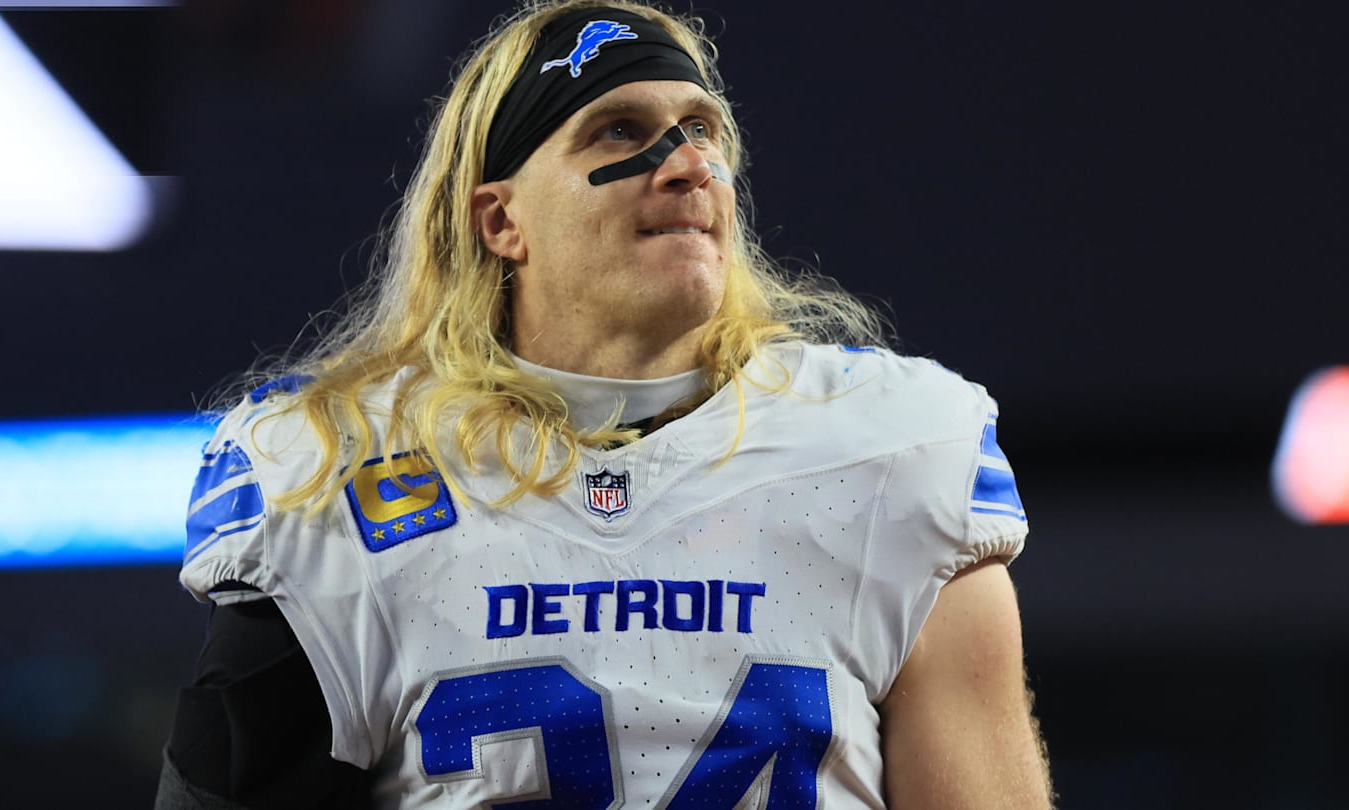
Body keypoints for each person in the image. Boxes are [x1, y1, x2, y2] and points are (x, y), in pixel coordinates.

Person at [156, 1, 1055, 807]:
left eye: (702, 129)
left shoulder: (888, 450)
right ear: (500, 221)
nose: (687, 166)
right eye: (619, 133)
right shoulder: (332, 468)